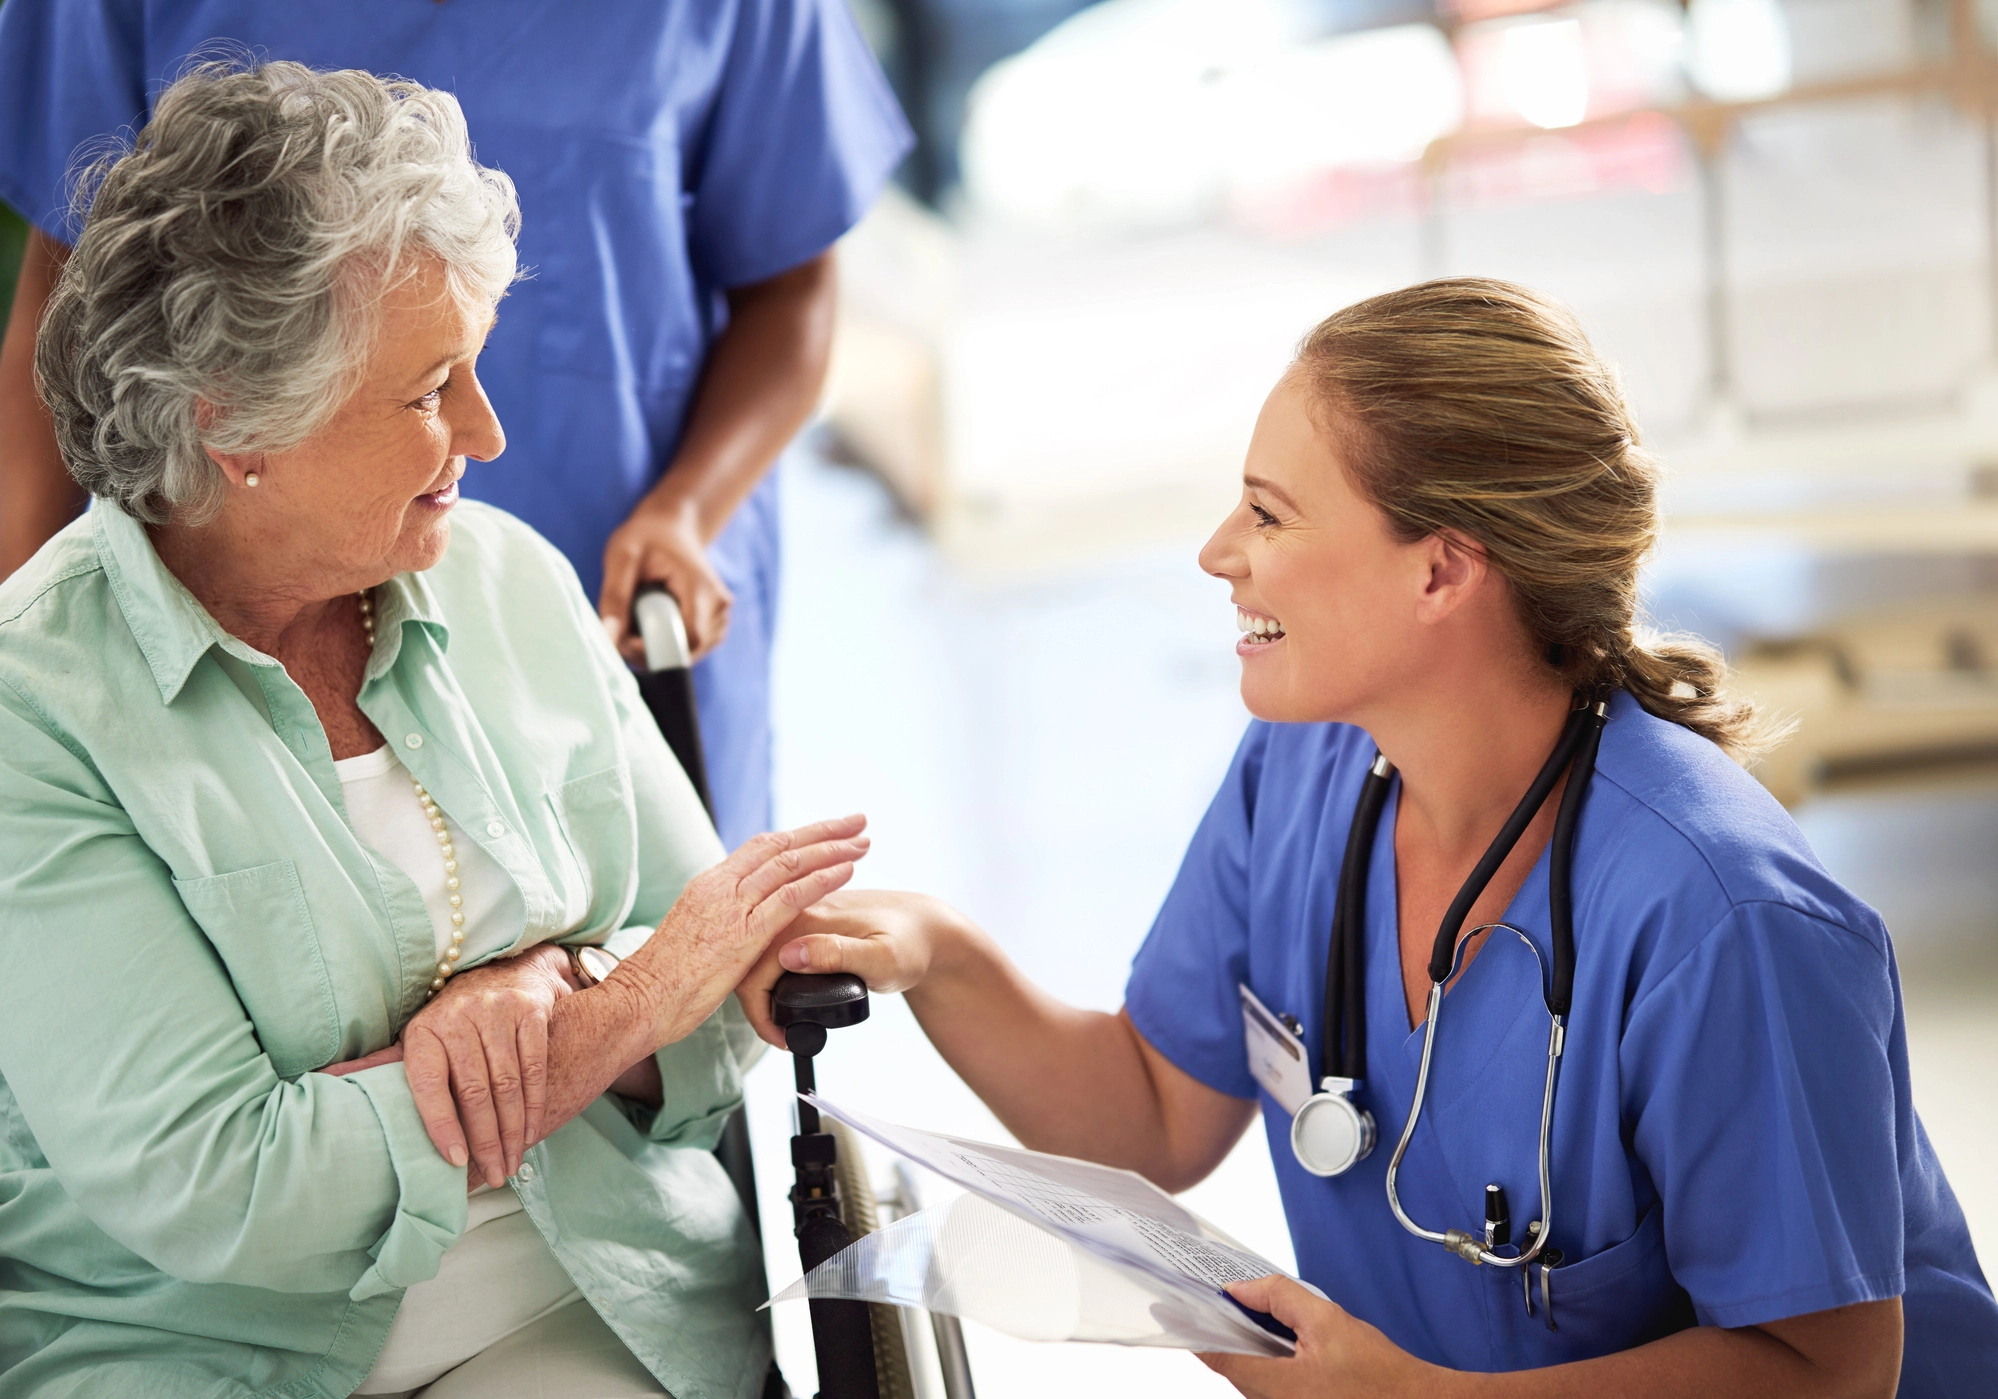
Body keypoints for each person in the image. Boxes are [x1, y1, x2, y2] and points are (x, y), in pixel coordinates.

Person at [738, 280, 1998, 1394]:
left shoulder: (1723, 918)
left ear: (1441, 571)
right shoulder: (1306, 771)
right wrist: (940, 952)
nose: (1217, 553)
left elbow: (1830, 1368)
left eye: (1269, 515)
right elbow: (1152, 1114)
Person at [0, 63, 868, 1399]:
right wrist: (613, 1012)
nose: (488, 430)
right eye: (429, 391)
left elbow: (730, 998)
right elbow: (227, 1187)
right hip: (191, 1351)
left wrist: (544, 988)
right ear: (235, 423)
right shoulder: (13, 708)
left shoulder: (510, 580)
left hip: (586, 1299)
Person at [0, 0, 913, 849]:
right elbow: (73, 300)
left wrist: (687, 510)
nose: (482, 433)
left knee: (675, 966)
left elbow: (792, 291)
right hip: (244, 636)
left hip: (622, 612)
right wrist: (26, 638)